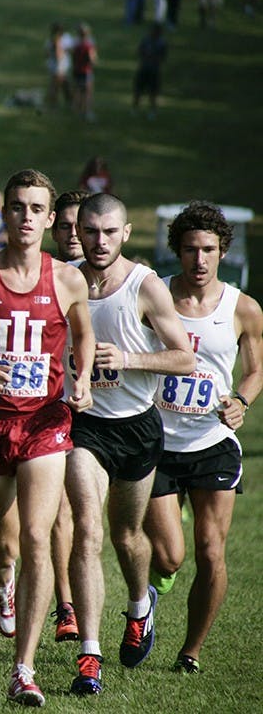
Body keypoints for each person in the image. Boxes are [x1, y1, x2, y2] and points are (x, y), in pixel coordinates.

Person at [0, 169, 94, 707]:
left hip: (44, 422)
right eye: (18, 207)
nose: (27, 218)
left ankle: (24, 667)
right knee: (2, 542)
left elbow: (82, 335)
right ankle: (3, 577)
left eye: (37, 209)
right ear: (5, 213)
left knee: (39, 536)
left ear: (50, 218)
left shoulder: (66, 279)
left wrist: (81, 378)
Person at [66, 192, 196, 695]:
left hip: (138, 426)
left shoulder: (143, 286)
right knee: (86, 530)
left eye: (109, 232)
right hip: (85, 425)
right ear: (78, 231)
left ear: (125, 234)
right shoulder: (64, 279)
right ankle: (89, 654)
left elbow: (184, 358)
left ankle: (140, 605)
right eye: (90, 231)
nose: (99, 241)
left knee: (126, 536)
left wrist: (127, 359)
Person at [143, 202, 262, 674]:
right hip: (156, 441)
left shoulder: (243, 308)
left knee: (212, 550)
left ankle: (190, 651)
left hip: (212, 441)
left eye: (209, 250)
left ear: (222, 251)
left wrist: (243, 400)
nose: (200, 260)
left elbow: (255, 370)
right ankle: (154, 586)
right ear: (178, 250)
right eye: (191, 249)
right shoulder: (153, 296)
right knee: (170, 556)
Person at [48, 189, 90, 646]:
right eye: (67, 226)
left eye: (84, 226)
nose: (75, 235)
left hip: (109, 413)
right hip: (53, 408)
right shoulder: (45, 275)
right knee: (62, 511)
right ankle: (66, 606)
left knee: (99, 519)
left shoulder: (122, 276)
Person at [133, 23, 168, 119]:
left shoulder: (162, 43)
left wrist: (153, 57)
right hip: (144, 68)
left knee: (153, 92)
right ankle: (135, 109)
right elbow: (139, 51)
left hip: (154, 70)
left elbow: (163, 57)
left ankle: (152, 111)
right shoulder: (145, 40)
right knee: (138, 90)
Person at [72, 23, 98, 122]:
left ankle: (78, 110)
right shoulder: (89, 45)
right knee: (87, 93)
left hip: (76, 70)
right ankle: (87, 112)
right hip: (86, 71)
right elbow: (92, 60)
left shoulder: (76, 43)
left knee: (78, 91)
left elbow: (73, 56)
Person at [45, 23, 74, 108]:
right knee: (56, 86)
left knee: (65, 84)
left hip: (61, 66)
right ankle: (53, 103)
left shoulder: (65, 38)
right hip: (58, 67)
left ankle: (68, 101)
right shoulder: (52, 41)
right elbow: (58, 56)